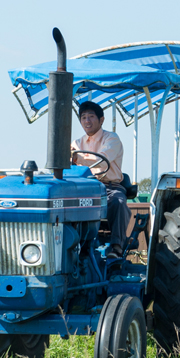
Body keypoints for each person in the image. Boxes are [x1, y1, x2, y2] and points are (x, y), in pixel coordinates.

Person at [71, 101, 131, 259]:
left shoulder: (111, 139)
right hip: (83, 188)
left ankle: (117, 246)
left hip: (108, 187)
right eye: (83, 117)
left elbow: (103, 160)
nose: (87, 121)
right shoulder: (76, 143)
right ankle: (70, 245)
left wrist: (77, 157)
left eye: (91, 116)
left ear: (101, 120)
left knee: (118, 201)